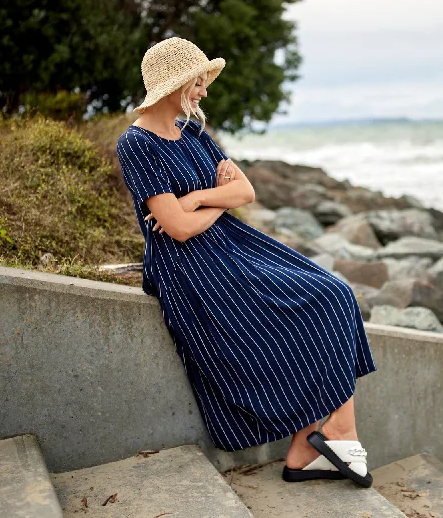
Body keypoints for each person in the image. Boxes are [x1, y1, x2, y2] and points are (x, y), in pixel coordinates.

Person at [115, 37, 377, 487]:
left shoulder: (194, 132)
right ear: (173, 84)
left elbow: (245, 192)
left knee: (335, 292)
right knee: (321, 301)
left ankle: (311, 445)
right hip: (188, 265)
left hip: (229, 243)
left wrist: (198, 198)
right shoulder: (137, 144)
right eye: (196, 83)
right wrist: (214, 203)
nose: (202, 92)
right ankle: (330, 437)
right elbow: (176, 229)